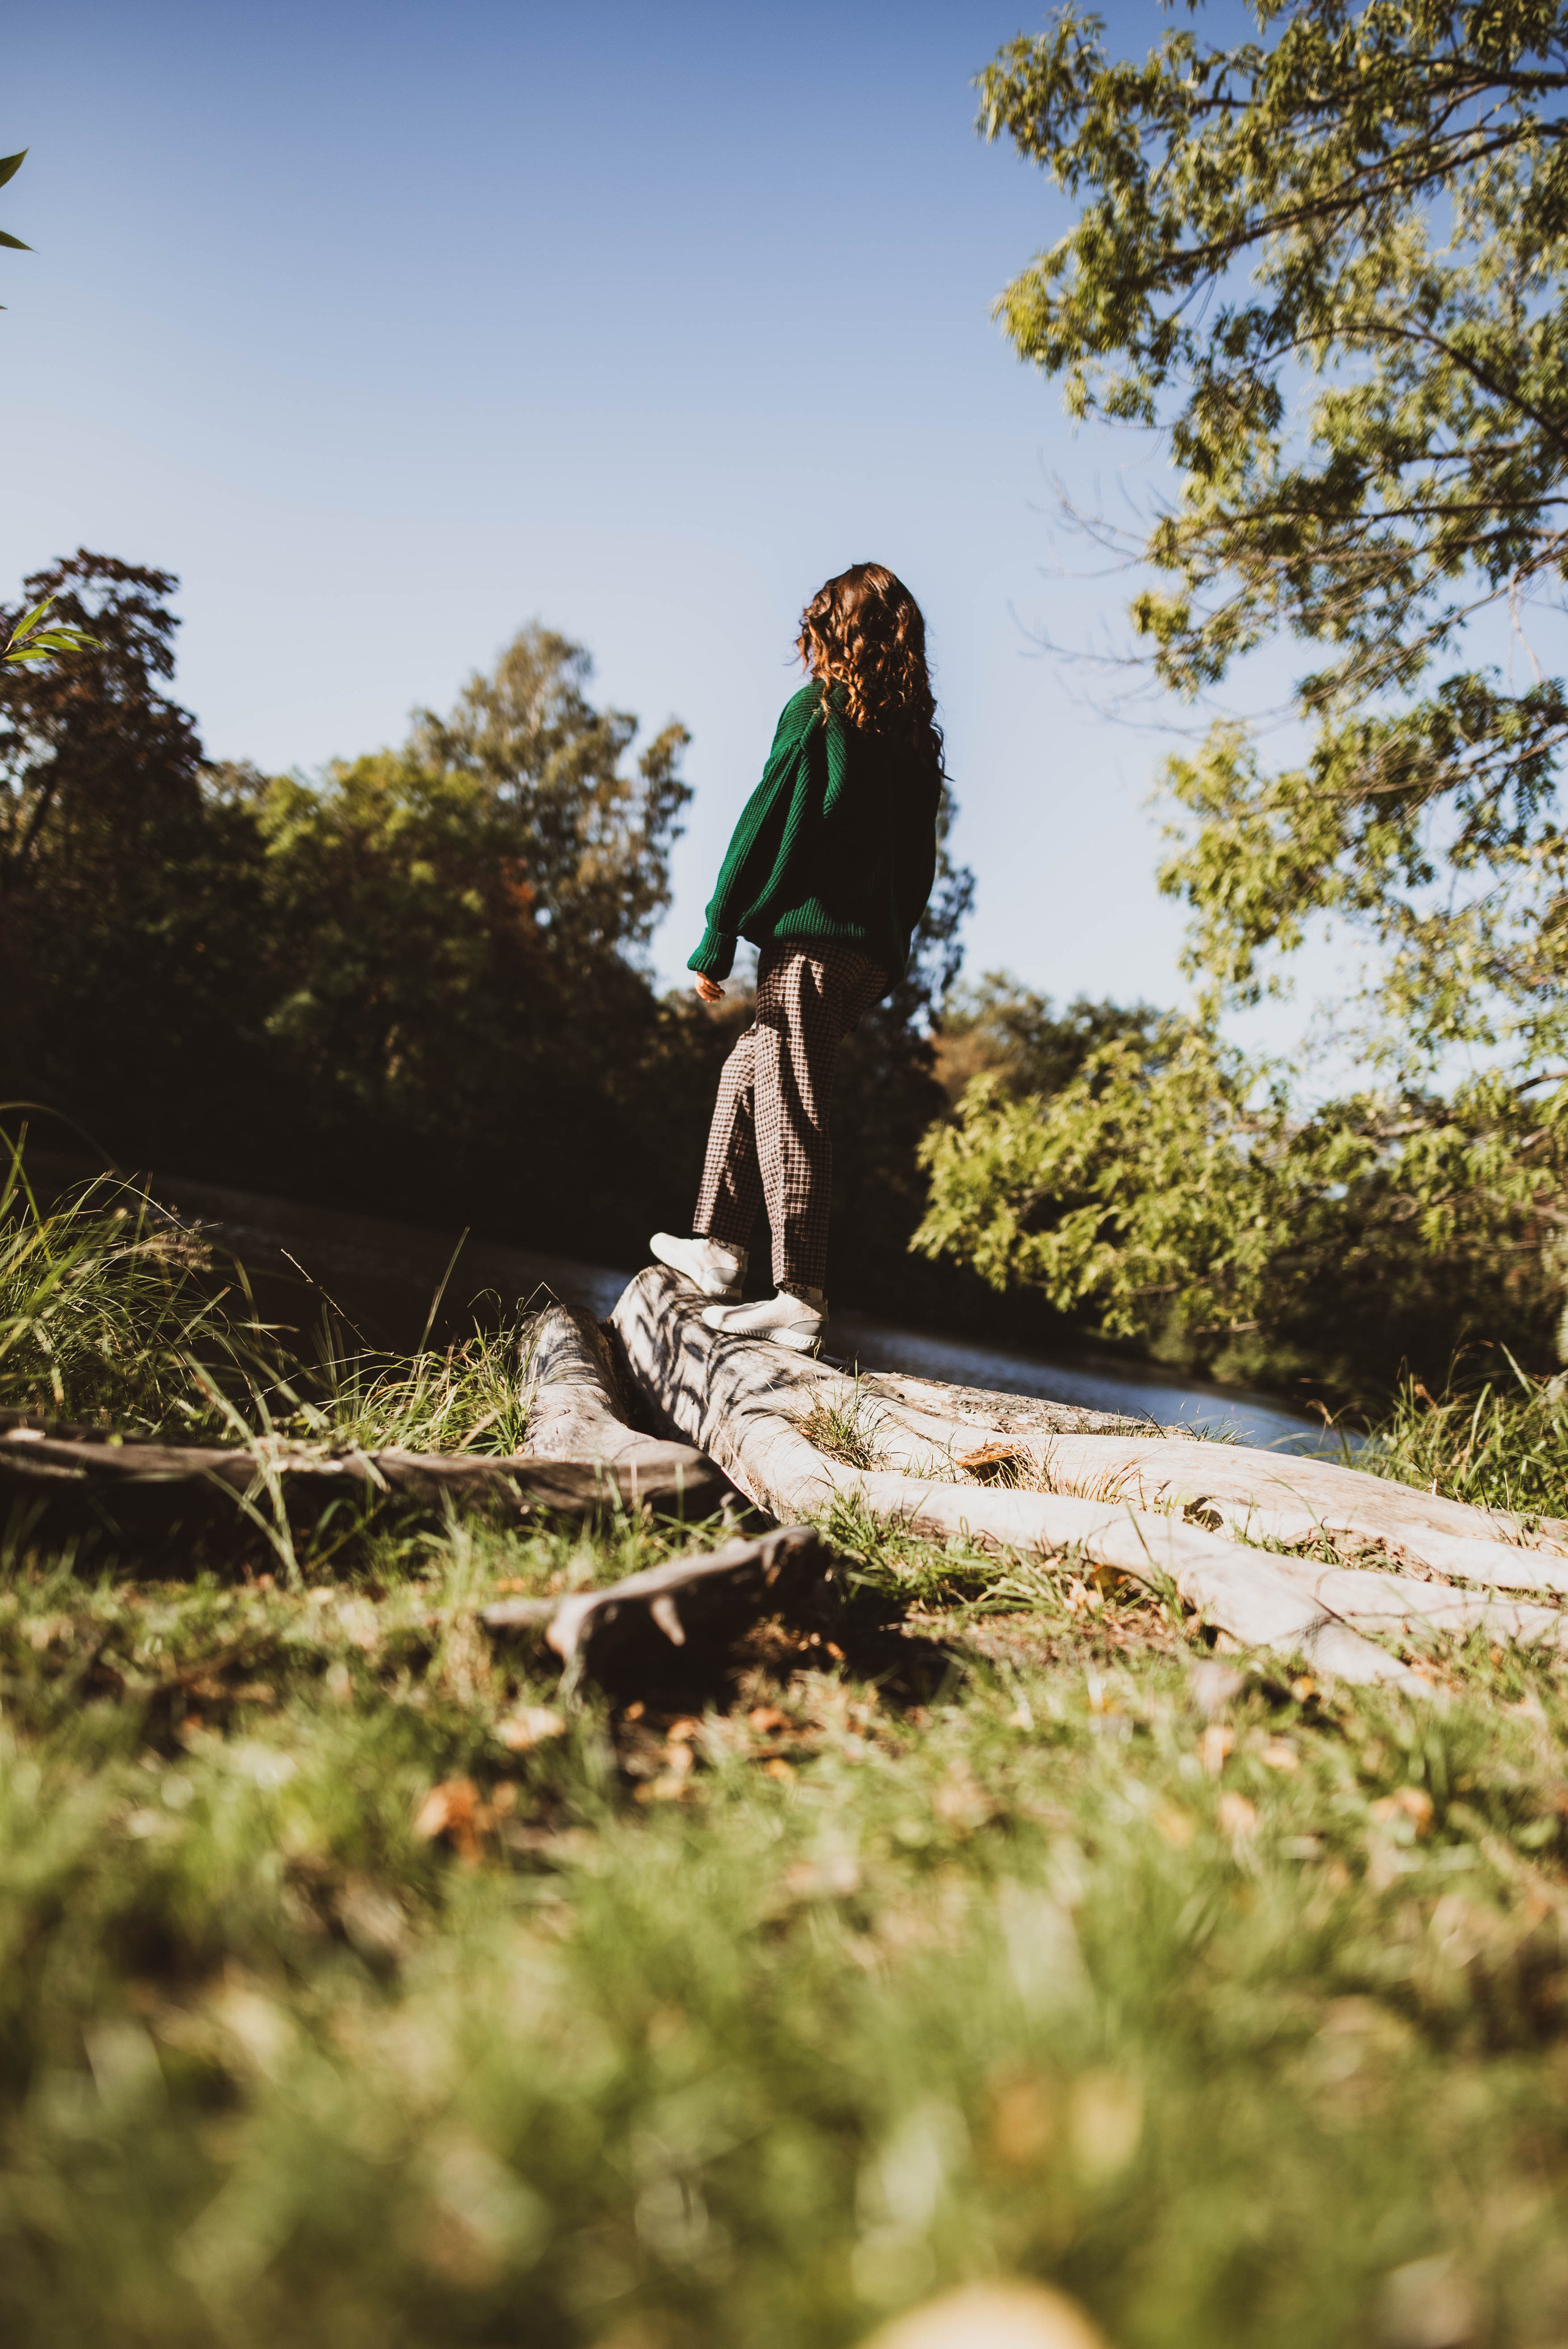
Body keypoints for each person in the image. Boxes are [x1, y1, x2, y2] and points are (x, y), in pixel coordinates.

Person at [650, 562, 945, 1352]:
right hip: (862, 960)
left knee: (790, 1107)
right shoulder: (915, 745)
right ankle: (715, 1247)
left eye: (817, 630)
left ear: (837, 634)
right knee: (749, 1070)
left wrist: (716, 934)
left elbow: (760, 820)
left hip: (810, 949)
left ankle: (799, 1291)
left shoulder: (819, 713)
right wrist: (885, 952)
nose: (808, 647)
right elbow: (920, 872)